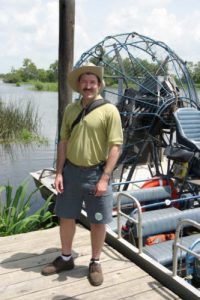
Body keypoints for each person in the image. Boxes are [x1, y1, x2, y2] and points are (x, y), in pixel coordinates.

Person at [41, 62, 123, 286]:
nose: (88, 86)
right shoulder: (71, 109)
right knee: (66, 216)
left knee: (98, 221)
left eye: (92, 82)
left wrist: (105, 177)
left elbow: (115, 146)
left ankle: (95, 262)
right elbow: (63, 142)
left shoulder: (109, 110)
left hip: (97, 173)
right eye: (84, 82)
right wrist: (58, 172)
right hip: (70, 172)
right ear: (79, 85)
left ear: (99, 85)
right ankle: (66, 258)